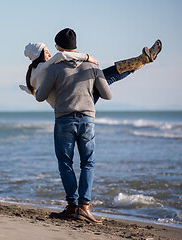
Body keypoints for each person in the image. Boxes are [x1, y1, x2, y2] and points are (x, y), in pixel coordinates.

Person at [33, 28, 161, 224]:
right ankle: (84, 207)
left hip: (64, 120)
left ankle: (72, 206)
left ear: (59, 47)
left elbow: (40, 96)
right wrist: (90, 88)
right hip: (86, 120)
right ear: (74, 46)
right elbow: (108, 95)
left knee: (66, 164)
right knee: (88, 163)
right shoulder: (91, 66)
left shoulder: (51, 68)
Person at [21, 39, 162, 108]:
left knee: (103, 76)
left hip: (69, 103)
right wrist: (88, 57)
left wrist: (28, 90)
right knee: (104, 76)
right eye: (46, 52)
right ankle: (141, 61)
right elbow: (61, 56)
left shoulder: (33, 73)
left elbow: (35, 90)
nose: (50, 54)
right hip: (74, 104)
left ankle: (140, 61)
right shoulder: (44, 67)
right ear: (38, 55)